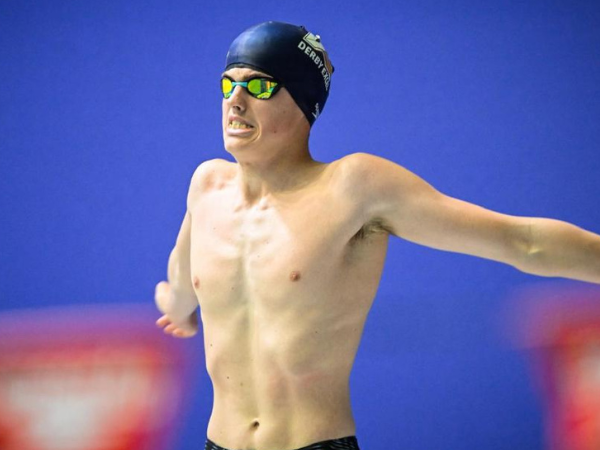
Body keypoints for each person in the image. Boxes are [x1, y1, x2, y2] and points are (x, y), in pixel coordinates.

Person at [155, 21, 600, 450]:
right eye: (228, 84)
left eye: (259, 86)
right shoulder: (206, 187)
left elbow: (523, 241)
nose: (235, 100)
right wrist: (178, 307)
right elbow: (181, 285)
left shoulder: (352, 189)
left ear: (304, 104)